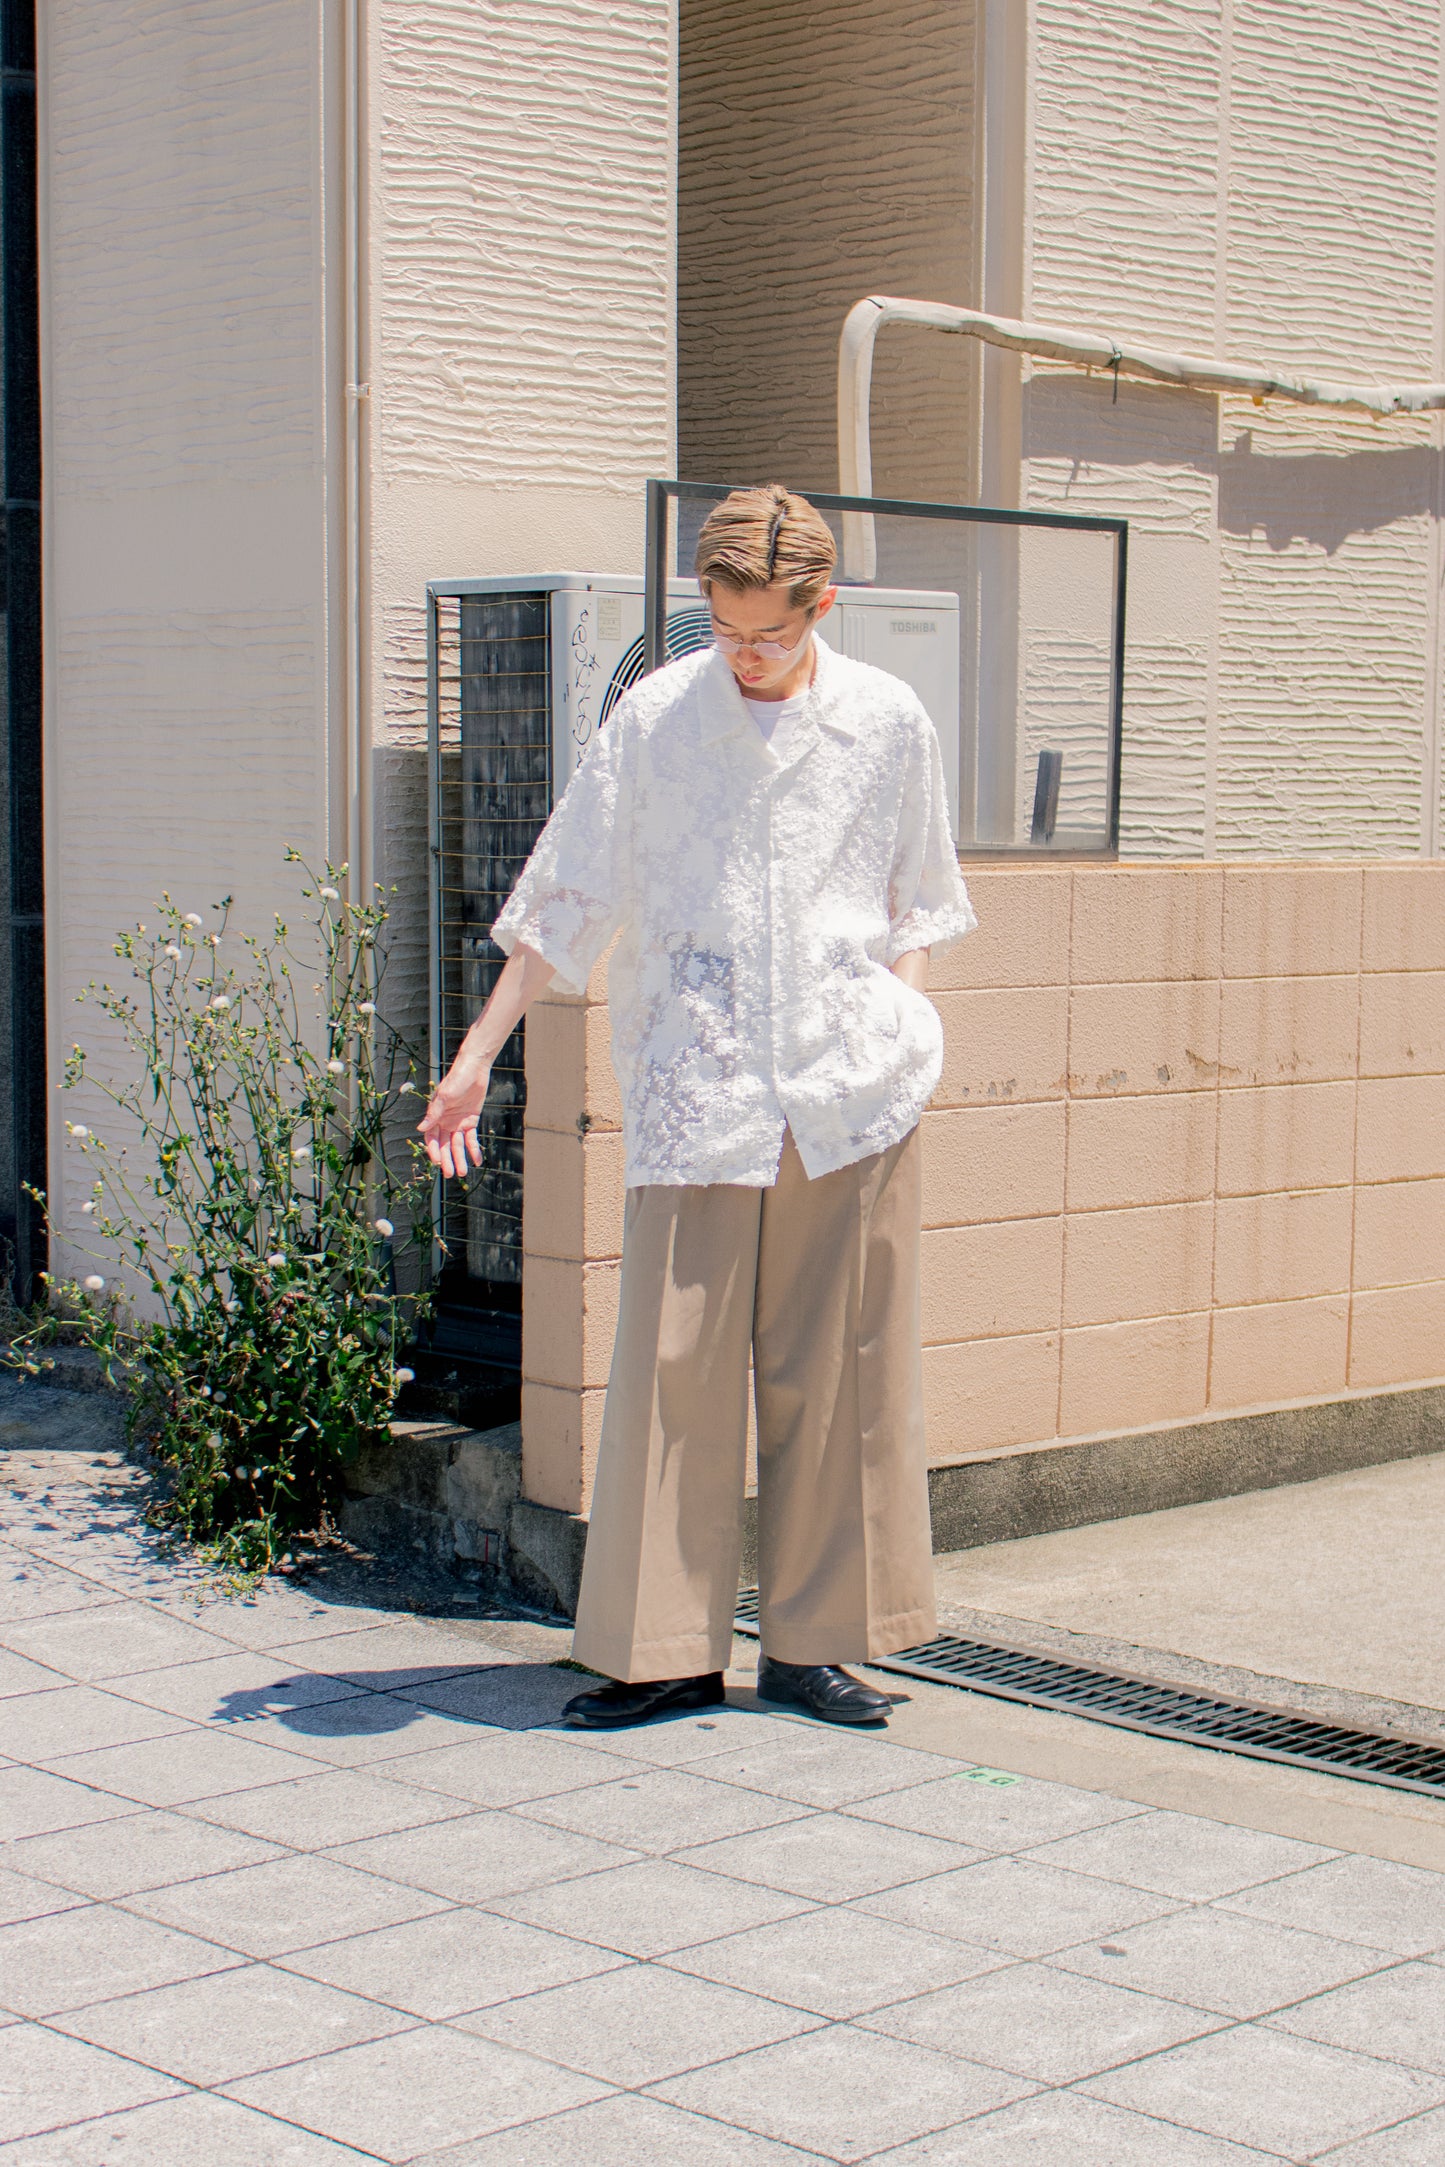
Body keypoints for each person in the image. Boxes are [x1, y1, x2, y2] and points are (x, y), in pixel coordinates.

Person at [420, 484, 976, 1728]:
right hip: (698, 1085)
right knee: (672, 1375)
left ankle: (813, 1645)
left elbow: (918, 900)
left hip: (848, 1092)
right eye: (723, 629)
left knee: (836, 1376)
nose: (742, 653)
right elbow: (567, 895)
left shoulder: (887, 720)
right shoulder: (656, 719)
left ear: (822, 605)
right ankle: (663, 1649)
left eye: (767, 632)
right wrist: (475, 1058)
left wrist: (902, 1030)